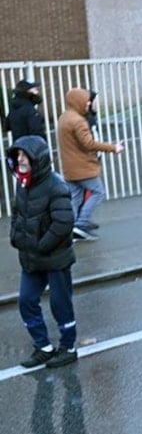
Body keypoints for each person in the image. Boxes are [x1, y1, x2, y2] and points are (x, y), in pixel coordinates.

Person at [7, 135, 79, 369]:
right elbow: (17, 214)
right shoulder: (22, 183)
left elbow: (63, 222)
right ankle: (43, 346)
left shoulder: (56, 185)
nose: (20, 159)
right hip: (31, 259)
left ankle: (68, 347)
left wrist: (41, 245)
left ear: (37, 158)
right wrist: (15, 237)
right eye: (17, 155)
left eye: (23, 155)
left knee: (60, 304)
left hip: (54, 259)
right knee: (26, 301)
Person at [55, 88, 124, 242]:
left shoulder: (64, 118)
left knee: (75, 197)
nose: (88, 104)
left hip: (69, 168)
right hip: (82, 168)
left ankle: (70, 228)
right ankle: (81, 224)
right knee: (98, 192)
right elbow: (89, 143)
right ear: (78, 101)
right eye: (86, 100)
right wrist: (113, 147)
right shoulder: (78, 121)